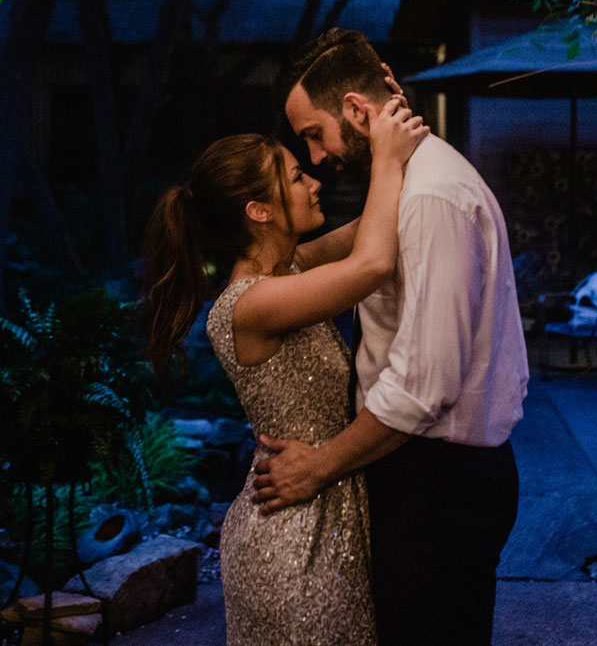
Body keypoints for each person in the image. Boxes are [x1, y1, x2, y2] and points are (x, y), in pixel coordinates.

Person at [253, 28, 530, 646]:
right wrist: (279, 268)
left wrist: (317, 468)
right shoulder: (407, 178)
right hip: (421, 473)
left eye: (313, 136)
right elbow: (367, 238)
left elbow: (423, 385)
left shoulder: (432, 195)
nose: (317, 157)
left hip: (439, 481)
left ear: (355, 109)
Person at [142, 101, 428, 646]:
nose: (314, 181)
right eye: (297, 176)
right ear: (259, 210)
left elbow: (374, 227)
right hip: (293, 541)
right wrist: (389, 158)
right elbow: (372, 264)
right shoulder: (250, 305)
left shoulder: (291, 268)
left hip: (326, 512)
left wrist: (390, 139)